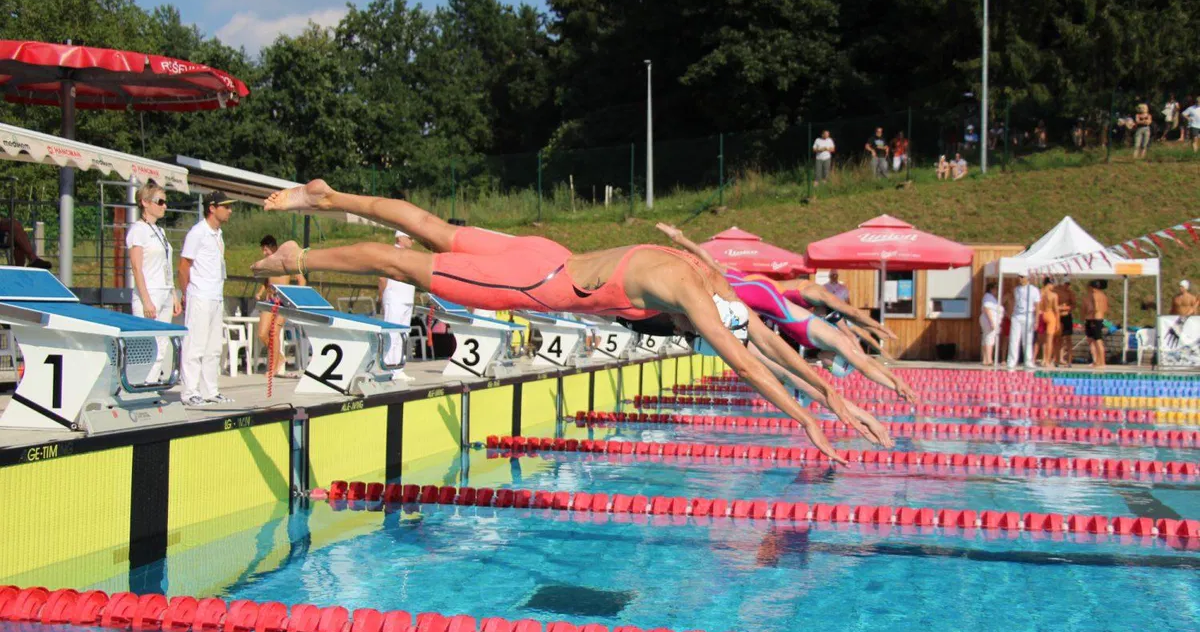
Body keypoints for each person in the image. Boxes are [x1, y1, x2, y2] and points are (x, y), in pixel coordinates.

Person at [252, 180, 883, 462]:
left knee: (433, 227)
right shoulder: (696, 300)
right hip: (537, 282)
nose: (704, 337)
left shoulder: (717, 280)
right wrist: (808, 418)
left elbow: (768, 342)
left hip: (545, 252)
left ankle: (327, 197)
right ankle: (299, 255)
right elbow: (748, 360)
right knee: (408, 264)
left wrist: (829, 391)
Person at [655, 225, 914, 402]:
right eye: (828, 365)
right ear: (836, 360)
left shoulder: (820, 336)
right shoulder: (826, 335)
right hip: (754, 293)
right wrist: (896, 383)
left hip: (751, 292)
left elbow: (855, 336)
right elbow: (863, 360)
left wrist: (680, 239)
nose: (823, 365)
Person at [179, 191, 234, 406]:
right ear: (212, 208)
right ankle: (189, 391)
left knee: (214, 347)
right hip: (199, 295)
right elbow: (184, 266)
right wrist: (186, 294)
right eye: (225, 206)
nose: (229, 211)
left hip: (215, 296)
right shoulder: (197, 233)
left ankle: (210, 390)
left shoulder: (217, 233)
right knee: (195, 345)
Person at [127, 180, 181, 384]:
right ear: (145, 202)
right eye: (160, 201)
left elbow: (166, 265)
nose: (164, 206)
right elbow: (137, 268)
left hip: (165, 290)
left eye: (165, 202)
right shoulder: (138, 230)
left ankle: (149, 384)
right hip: (149, 292)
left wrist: (174, 294)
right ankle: (137, 383)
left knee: (162, 344)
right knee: (146, 343)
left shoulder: (161, 231)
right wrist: (146, 299)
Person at [255, 235, 305, 379]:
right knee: (262, 334)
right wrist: (260, 292)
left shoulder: (286, 261)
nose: (264, 253)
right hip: (270, 301)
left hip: (283, 302)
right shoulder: (268, 264)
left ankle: (274, 366)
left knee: (274, 333)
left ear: (273, 247)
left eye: (266, 250)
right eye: (262, 250)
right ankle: (280, 357)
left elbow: (301, 280)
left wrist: (296, 299)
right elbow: (267, 281)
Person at [379, 230, 417, 367]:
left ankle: (397, 369)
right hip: (394, 299)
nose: (413, 241)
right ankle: (388, 367)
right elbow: (382, 278)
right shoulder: (391, 253)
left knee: (403, 336)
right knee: (391, 335)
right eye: (410, 238)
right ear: (400, 238)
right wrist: (382, 298)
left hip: (407, 299)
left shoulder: (411, 256)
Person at [1005, 273, 1040, 369]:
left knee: (1027, 340)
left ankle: (1028, 361)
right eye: (1019, 277)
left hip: (1028, 315)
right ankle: (1011, 361)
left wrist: (1036, 320)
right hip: (1017, 316)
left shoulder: (1034, 290)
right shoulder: (1016, 289)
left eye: (1022, 277)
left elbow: (1037, 306)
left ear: (1027, 278)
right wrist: (1010, 314)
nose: (1020, 279)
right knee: (1014, 339)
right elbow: (1014, 302)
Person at [1082, 279, 1109, 368]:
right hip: (1099, 318)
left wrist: (1091, 314)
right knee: (1094, 340)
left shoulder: (1095, 295)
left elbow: (1096, 307)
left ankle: (1100, 362)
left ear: (1092, 287)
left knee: (1097, 341)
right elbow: (1105, 308)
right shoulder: (1104, 296)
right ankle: (1098, 361)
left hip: (1094, 319)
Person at [1054, 277, 1077, 367]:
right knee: (1058, 339)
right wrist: (1059, 307)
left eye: (1068, 284)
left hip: (1066, 316)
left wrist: (1067, 308)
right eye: (1066, 284)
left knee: (1068, 339)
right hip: (1058, 316)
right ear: (1061, 284)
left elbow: (1074, 304)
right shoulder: (1056, 291)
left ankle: (1069, 361)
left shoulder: (1070, 293)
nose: (1067, 286)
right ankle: (1056, 360)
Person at [1038, 278, 1060, 368]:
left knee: (1042, 340)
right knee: (1049, 340)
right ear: (1049, 284)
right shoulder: (1053, 295)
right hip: (1050, 314)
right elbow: (1056, 309)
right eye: (1053, 284)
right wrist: (1058, 322)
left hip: (1041, 314)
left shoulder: (1039, 292)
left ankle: (1043, 359)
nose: (1053, 286)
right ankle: (1047, 360)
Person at [979, 282, 1002, 365]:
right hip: (989, 319)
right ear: (991, 289)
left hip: (988, 319)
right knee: (989, 338)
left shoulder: (990, 297)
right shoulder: (988, 297)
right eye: (996, 289)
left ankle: (985, 359)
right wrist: (991, 322)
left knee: (986, 338)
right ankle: (989, 359)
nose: (997, 291)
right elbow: (987, 309)